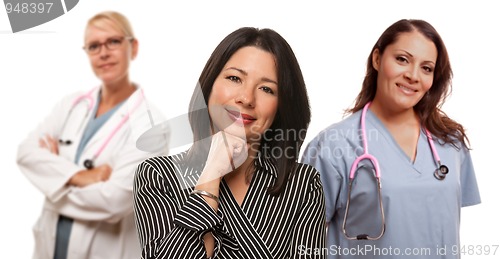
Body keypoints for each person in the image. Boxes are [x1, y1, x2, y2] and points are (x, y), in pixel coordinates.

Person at [133, 27, 326, 258]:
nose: (246, 98)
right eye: (234, 78)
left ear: (281, 106)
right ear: (210, 84)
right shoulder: (158, 175)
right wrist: (209, 180)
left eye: (266, 89)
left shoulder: (303, 184)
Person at [302, 19, 481, 258]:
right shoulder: (333, 145)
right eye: (402, 59)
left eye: (426, 68)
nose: (413, 75)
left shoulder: (451, 142)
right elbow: (300, 238)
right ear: (377, 59)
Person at [16, 11, 168, 259]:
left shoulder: (152, 125)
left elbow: (115, 201)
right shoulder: (71, 105)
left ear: (134, 47)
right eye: (94, 46)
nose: (104, 53)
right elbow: (26, 153)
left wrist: (51, 183)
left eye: (114, 42)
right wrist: (81, 176)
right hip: (49, 247)